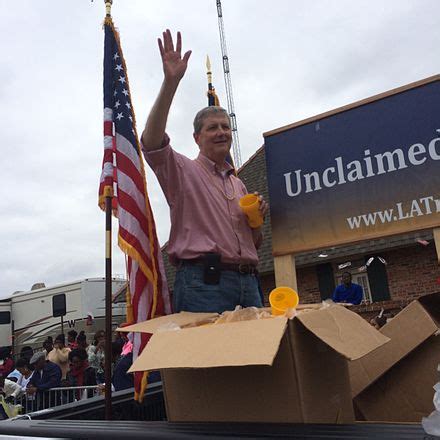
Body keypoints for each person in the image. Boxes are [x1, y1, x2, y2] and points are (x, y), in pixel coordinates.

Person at [141, 30, 268, 314]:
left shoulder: (239, 185)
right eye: (213, 127)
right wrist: (170, 83)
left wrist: (257, 220)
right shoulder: (182, 170)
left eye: (226, 127)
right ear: (197, 137)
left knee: (257, 356)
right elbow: (150, 141)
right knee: (212, 359)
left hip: (249, 282)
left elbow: (255, 243)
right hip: (204, 284)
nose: (221, 132)